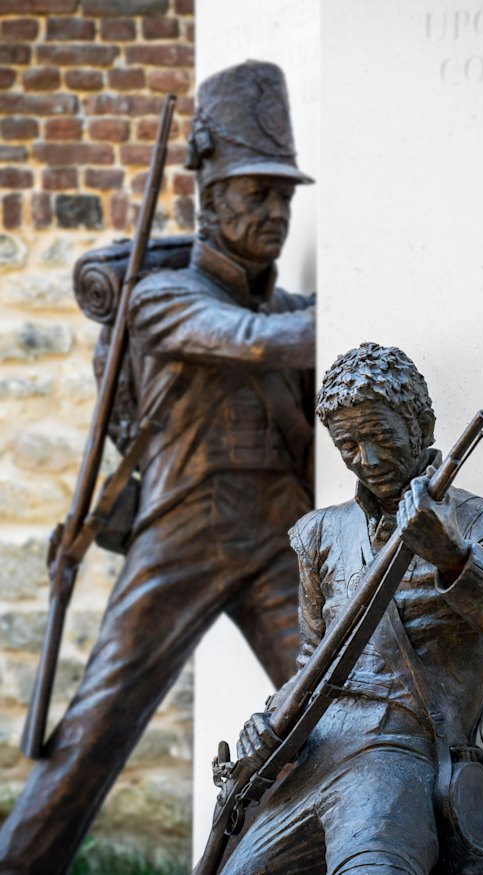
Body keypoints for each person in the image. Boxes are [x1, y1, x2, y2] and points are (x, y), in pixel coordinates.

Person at [0, 61, 315, 875]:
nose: (276, 211)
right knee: (90, 741)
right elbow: (253, 342)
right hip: (180, 536)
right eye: (257, 192)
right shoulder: (161, 297)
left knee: (341, 718)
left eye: (284, 195)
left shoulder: (291, 307)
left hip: (280, 539)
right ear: (210, 197)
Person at [221, 343, 483, 875]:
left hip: (400, 758)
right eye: (348, 444)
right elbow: (314, 659)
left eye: (379, 436)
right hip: (314, 756)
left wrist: (453, 556)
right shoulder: (321, 533)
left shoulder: (481, 525)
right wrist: (269, 723)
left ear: (420, 425)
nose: (367, 460)